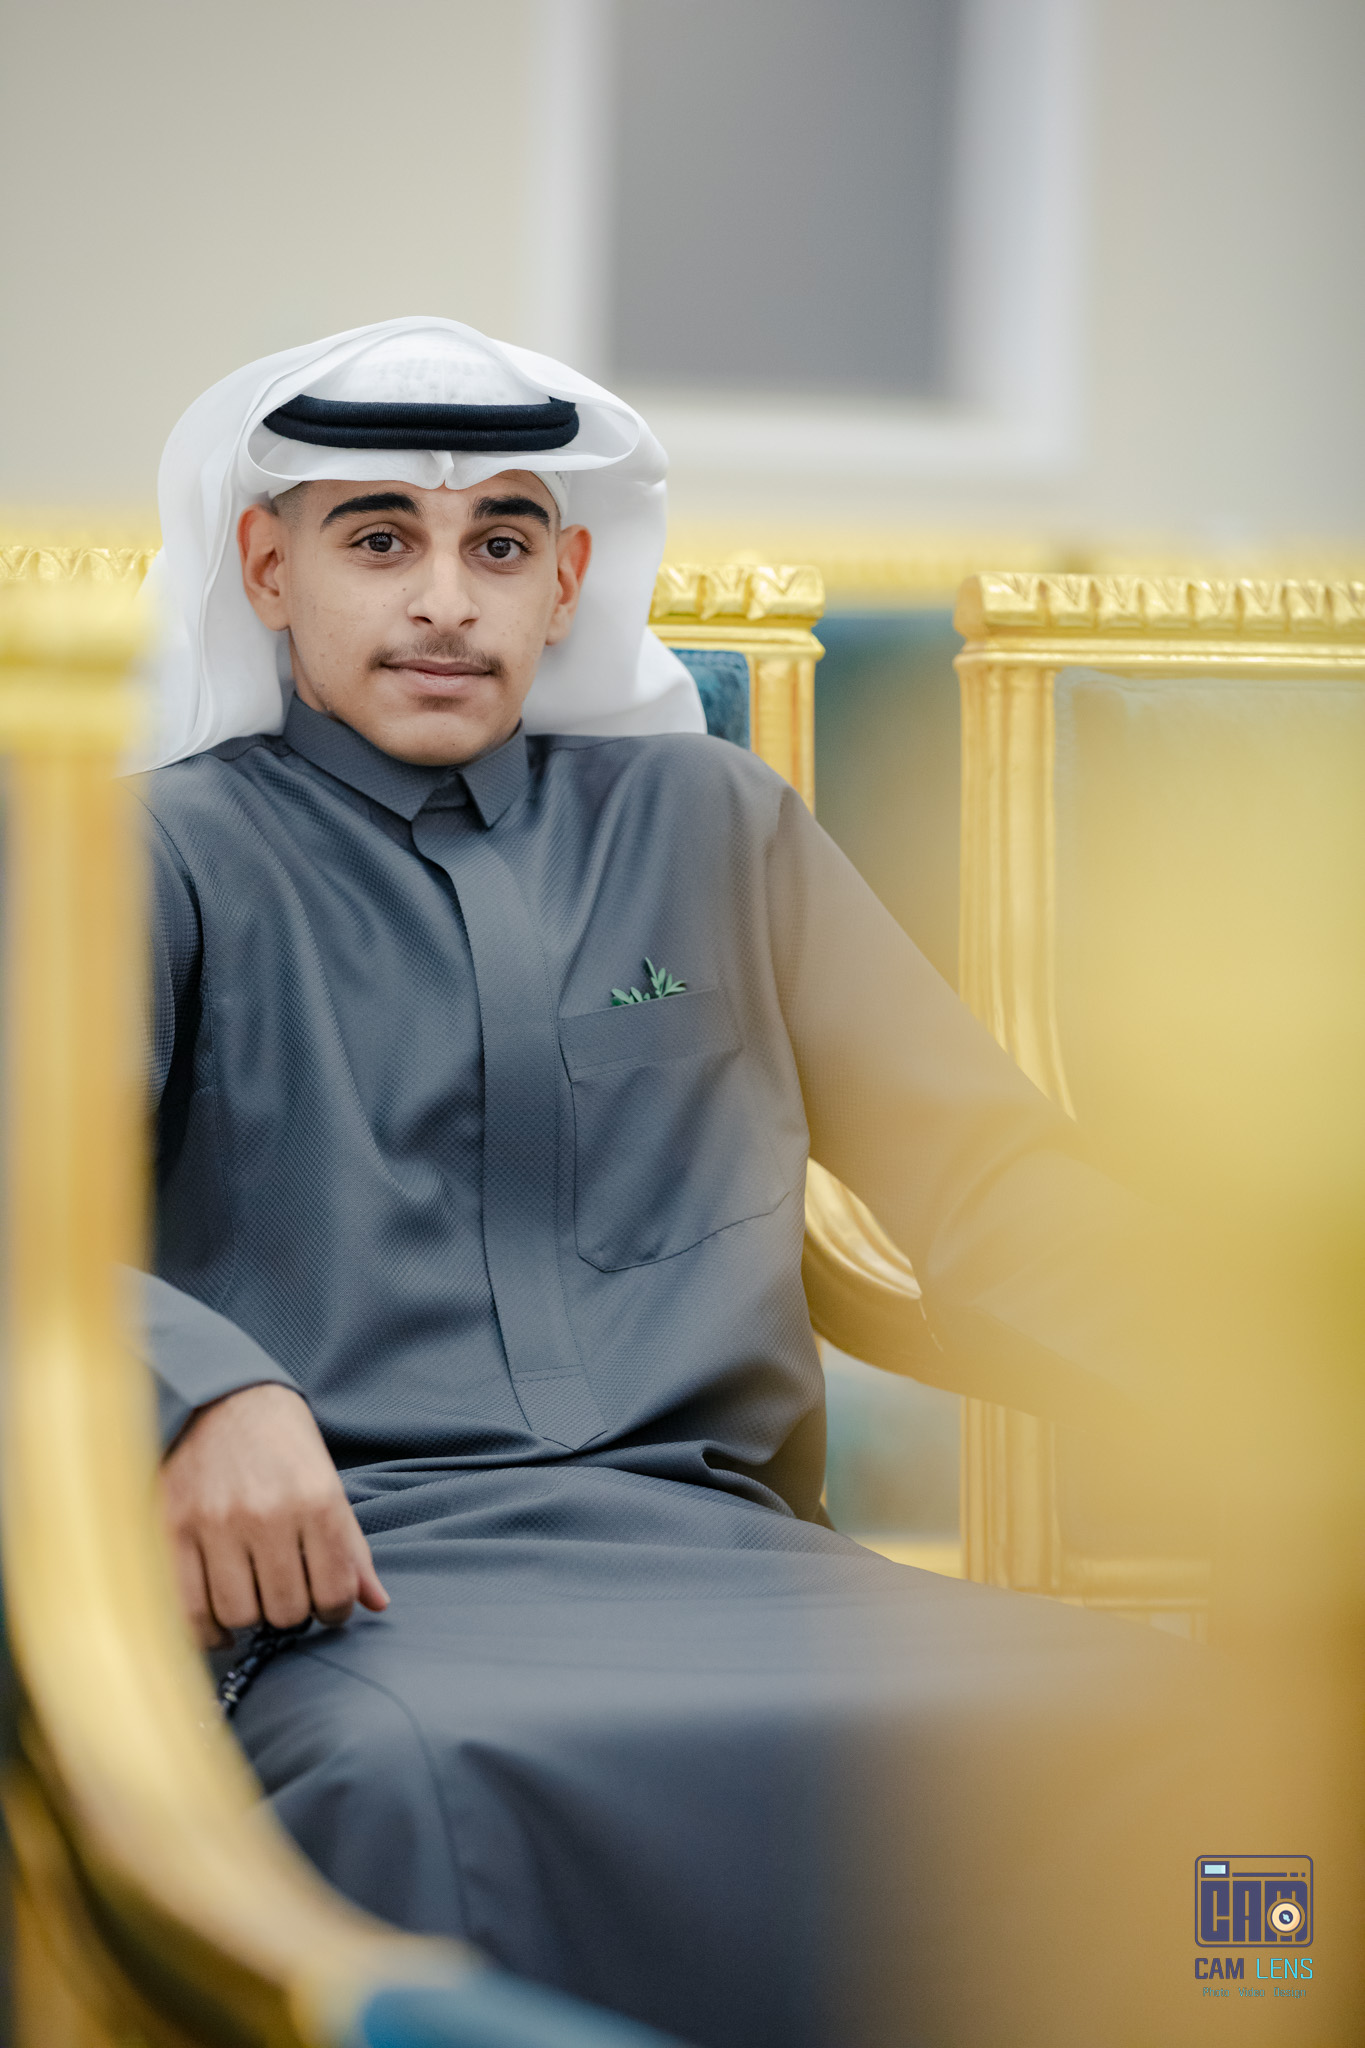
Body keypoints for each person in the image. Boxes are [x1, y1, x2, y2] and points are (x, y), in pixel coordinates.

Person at [139, 317, 1243, 2048]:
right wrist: (199, 1387)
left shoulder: (713, 823)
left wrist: (1286, 1383)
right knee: (405, 1781)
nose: (445, 599)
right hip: (349, 1583)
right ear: (267, 571)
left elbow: (990, 1182)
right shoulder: (155, 851)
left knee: (1197, 1738)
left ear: (569, 579)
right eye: (380, 539)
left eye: (501, 544)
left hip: (727, 1549)